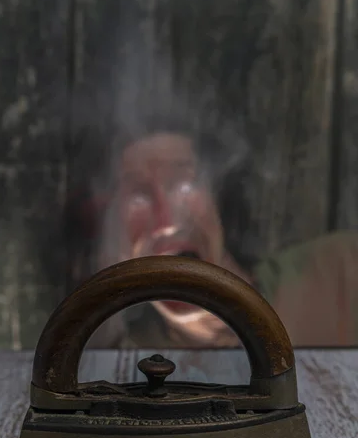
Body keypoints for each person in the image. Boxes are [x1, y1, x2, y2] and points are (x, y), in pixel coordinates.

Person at [72, 113, 358, 348]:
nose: (166, 219)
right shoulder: (120, 367)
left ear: (220, 198)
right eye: (138, 196)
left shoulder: (342, 273)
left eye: (184, 185)